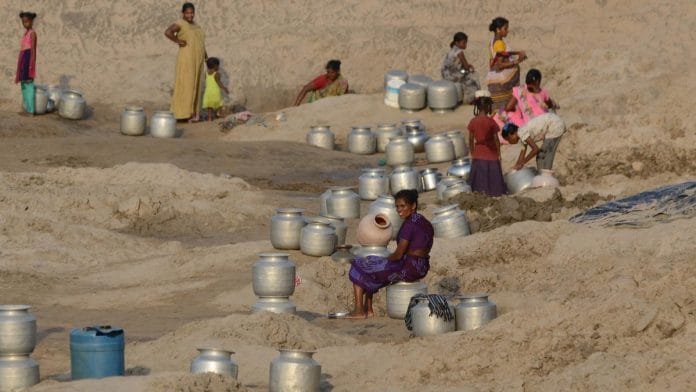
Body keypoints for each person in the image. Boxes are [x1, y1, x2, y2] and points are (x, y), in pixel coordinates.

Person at [346, 189, 433, 319]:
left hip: (409, 268)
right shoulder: (424, 221)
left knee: (359, 265)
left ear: (413, 205)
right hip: (422, 266)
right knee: (372, 263)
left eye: (403, 206)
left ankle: (359, 309)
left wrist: (385, 260)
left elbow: (398, 255)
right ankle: (368, 309)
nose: (399, 210)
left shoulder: (409, 225)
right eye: (397, 207)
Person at [165, 2, 207, 122]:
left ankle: (192, 113)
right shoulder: (180, 23)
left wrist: (205, 56)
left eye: (192, 12)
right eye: (187, 13)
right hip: (187, 59)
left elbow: (200, 42)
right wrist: (178, 41)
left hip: (198, 61)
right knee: (186, 86)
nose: (190, 15)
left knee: (196, 86)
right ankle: (181, 113)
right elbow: (168, 32)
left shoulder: (196, 25)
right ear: (183, 13)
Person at [467, 90, 507, 196]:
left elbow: (471, 140)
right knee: (495, 181)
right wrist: (498, 154)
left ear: (477, 106)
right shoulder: (491, 122)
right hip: (492, 155)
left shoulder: (473, 121)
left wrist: (473, 153)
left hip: (478, 154)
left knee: (478, 182)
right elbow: (496, 140)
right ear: (488, 106)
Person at [486, 17, 527, 111]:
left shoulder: (492, 42)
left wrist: (517, 53)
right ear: (498, 30)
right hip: (505, 80)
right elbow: (500, 64)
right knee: (518, 95)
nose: (507, 31)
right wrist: (517, 61)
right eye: (505, 28)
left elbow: (496, 58)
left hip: (494, 78)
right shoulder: (499, 43)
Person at [501, 113, 566, 171]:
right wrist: (516, 165)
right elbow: (523, 151)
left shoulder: (521, 133)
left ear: (511, 135)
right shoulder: (521, 133)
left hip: (555, 125)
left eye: (508, 139)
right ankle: (544, 174)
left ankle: (545, 175)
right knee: (542, 156)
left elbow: (535, 149)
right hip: (553, 124)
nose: (509, 142)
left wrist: (522, 163)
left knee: (543, 155)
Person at [441, 32, 480, 104]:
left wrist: (468, 66)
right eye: (464, 43)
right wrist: (470, 69)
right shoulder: (459, 52)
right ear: (457, 43)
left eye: (466, 43)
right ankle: (472, 99)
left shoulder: (453, 49)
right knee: (473, 77)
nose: (465, 45)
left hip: (447, 74)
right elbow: (466, 67)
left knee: (465, 73)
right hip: (453, 74)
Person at [16, 11, 38, 116]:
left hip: (28, 58)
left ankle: (30, 110)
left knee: (28, 83)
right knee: (23, 83)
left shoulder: (32, 33)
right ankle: (26, 108)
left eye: (27, 22)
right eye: (23, 22)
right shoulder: (26, 33)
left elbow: (33, 49)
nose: (25, 24)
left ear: (31, 21)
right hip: (24, 58)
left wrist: (31, 64)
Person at [202, 57, 229, 121]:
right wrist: (225, 88)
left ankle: (209, 118)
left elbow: (207, 81)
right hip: (215, 92)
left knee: (209, 106)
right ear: (215, 66)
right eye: (218, 65)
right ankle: (219, 113)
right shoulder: (217, 74)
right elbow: (219, 83)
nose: (219, 67)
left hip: (208, 92)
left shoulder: (206, 73)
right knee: (219, 104)